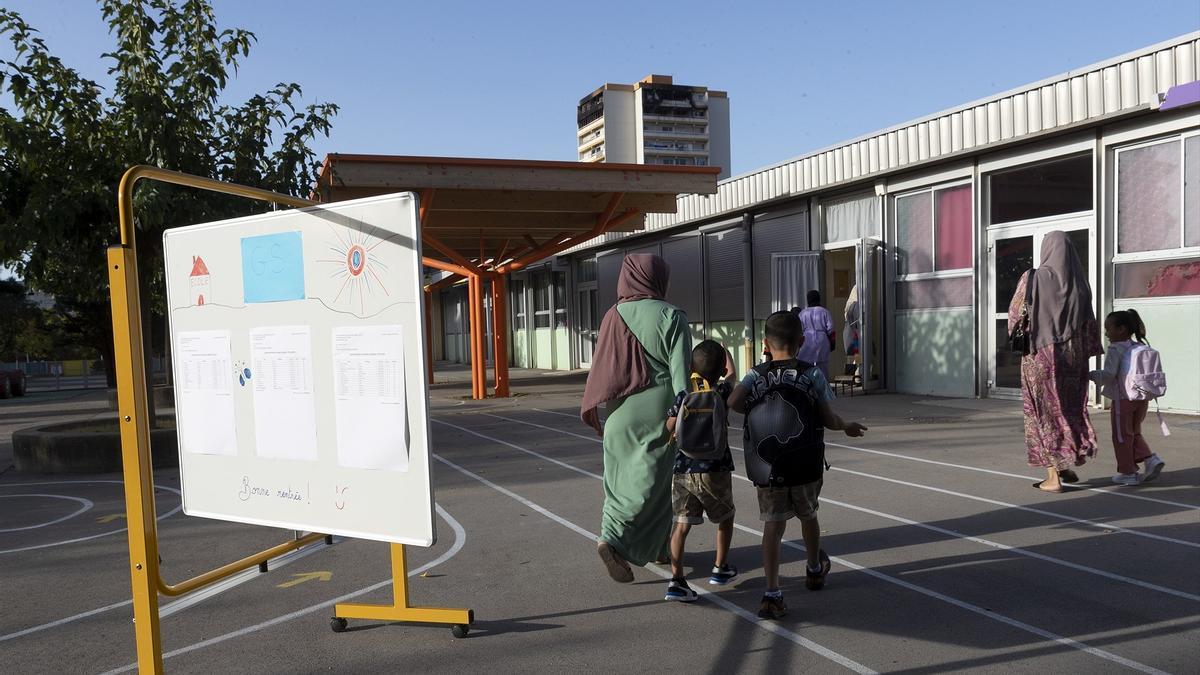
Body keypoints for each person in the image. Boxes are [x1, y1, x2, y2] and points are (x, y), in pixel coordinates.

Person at [728, 311, 867, 620]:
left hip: (768, 466)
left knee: (773, 526)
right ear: (802, 342)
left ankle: (773, 592)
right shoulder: (811, 374)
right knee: (808, 514)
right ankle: (814, 568)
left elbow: (733, 402)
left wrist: (753, 406)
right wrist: (846, 426)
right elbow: (829, 419)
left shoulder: (756, 374)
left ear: (765, 343)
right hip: (805, 462)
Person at [581, 254, 692, 583]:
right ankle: (613, 542)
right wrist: (679, 415)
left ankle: (647, 545)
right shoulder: (672, 316)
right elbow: (681, 380)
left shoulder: (611, 315)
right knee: (652, 485)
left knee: (618, 483)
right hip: (657, 411)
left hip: (617, 410)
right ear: (658, 279)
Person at [1008, 230, 1103, 494]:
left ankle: (1053, 478)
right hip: (1073, 359)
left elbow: (1015, 314)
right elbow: (1089, 327)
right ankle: (1065, 465)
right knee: (1068, 409)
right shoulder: (1081, 285)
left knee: (1044, 413)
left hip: (1041, 357)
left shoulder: (1033, 278)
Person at [662, 340, 739, 602]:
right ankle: (720, 567)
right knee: (725, 517)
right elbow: (733, 374)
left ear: (691, 367)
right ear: (718, 370)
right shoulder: (721, 390)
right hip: (715, 468)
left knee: (681, 525)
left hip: (684, 468)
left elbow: (670, 426)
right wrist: (726, 351)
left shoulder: (684, 394)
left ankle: (676, 580)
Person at [1088, 310, 1166, 486]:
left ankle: (1128, 472)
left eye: (1108, 329)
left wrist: (1090, 375)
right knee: (1133, 432)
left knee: (1121, 436)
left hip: (1123, 399)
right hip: (1141, 398)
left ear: (1121, 329)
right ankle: (1149, 460)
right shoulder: (1136, 346)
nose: (1106, 333)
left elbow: (1108, 375)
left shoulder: (1116, 349)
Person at [796, 290, 836, 378]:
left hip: (806, 339)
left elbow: (799, 329)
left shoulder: (803, 313)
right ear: (819, 299)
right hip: (822, 339)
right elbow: (831, 328)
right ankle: (823, 387)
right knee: (822, 366)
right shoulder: (824, 311)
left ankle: (808, 385)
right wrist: (832, 343)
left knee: (806, 365)